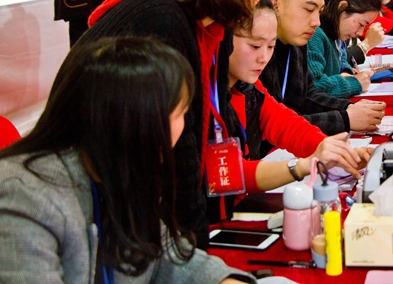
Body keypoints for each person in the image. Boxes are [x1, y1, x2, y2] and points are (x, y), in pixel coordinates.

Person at [78, 0, 278, 247]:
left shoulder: (210, 21)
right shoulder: (161, 19)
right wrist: (195, 248)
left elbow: (213, 125)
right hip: (106, 194)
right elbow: (179, 144)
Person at [0, 37, 255, 284]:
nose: (184, 127)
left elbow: (166, 257)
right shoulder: (25, 195)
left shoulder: (121, 168)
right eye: (180, 113)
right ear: (136, 122)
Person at [225, 0, 368, 199]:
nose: (263, 57)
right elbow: (228, 175)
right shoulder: (207, 95)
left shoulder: (249, 85)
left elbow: (285, 124)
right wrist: (301, 166)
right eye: (255, 46)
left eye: (271, 47)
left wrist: (331, 150)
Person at [259, 0, 386, 134]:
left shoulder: (296, 42)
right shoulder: (254, 53)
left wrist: (349, 108)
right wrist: (344, 118)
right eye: (309, 10)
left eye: (318, 12)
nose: (316, 22)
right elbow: (267, 123)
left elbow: (307, 94)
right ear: (275, 5)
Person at [308, 0, 382, 98]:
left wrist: (346, 72)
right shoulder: (315, 36)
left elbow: (342, 58)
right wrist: (354, 83)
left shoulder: (337, 31)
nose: (360, 32)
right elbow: (316, 86)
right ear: (342, 7)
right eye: (361, 24)